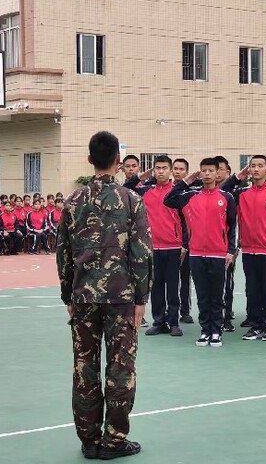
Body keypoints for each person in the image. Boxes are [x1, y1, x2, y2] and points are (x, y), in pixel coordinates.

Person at [56, 131, 153, 460]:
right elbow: (141, 254)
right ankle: (113, 441)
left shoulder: (72, 201)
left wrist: (67, 293)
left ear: (89, 160)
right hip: (121, 297)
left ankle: (88, 440)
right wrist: (141, 299)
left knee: (84, 367)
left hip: (83, 297)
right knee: (121, 368)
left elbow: (63, 253)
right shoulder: (131, 200)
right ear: (117, 161)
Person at [164, 157, 237, 347]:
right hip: (196, 253)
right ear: (199, 173)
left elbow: (232, 226)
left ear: (217, 173)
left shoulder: (226, 197)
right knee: (203, 295)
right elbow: (169, 200)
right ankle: (205, 330)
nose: (207, 174)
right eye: (203, 171)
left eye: (210, 171)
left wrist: (230, 250)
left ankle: (216, 331)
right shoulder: (190, 195)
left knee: (217, 295)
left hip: (219, 254)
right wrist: (186, 182)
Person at [221, 156, 266, 341]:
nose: (255, 169)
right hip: (248, 250)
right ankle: (255, 325)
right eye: (252, 166)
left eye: (260, 166)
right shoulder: (241, 193)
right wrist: (236, 178)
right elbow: (222, 191)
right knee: (252, 289)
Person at [125, 156, 186, 337]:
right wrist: (142, 176)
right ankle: (159, 321)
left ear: (170, 170)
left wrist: (185, 244)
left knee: (173, 287)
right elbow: (126, 188)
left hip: (174, 247)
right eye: (157, 168)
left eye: (164, 168)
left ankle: (174, 322)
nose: (161, 171)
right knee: (156, 286)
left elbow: (185, 220)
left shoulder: (177, 191)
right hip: (152, 247)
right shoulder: (145, 190)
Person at [214, 155, 237, 332]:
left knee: (226, 283)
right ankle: (212, 317)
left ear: (228, 172)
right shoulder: (201, 191)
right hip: (206, 247)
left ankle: (226, 316)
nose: (217, 172)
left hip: (226, 247)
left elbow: (234, 223)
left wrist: (233, 247)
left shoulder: (232, 193)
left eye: (221, 169)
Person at [173, 158, 193, 324]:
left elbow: (187, 222)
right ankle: (168, 311)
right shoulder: (170, 191)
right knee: (168, 280)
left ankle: (185, 311)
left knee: (185, 278)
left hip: (185, 244)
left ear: (187, 172)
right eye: (176, 168)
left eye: (181, 169)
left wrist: (185, 244)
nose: (178, 171)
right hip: (167, 243)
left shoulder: (190, 192)